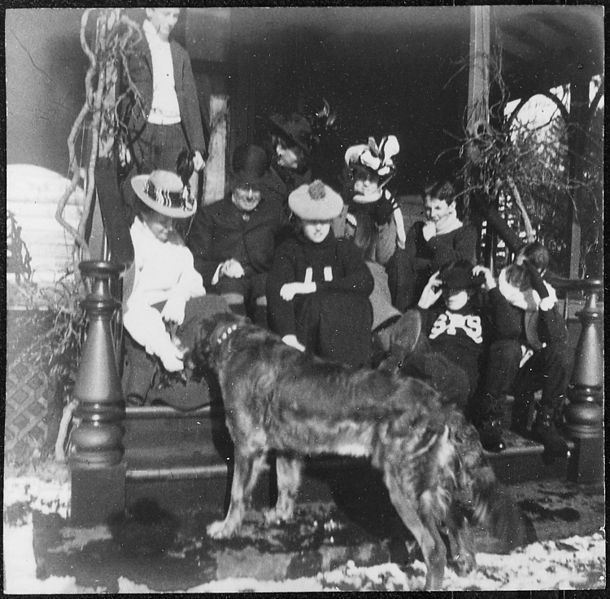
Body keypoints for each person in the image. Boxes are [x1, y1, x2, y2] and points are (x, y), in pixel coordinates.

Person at [122, 169, 229, 409]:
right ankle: (170, 387)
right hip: (149, 324)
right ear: (145, 212)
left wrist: (180, 296)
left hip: (177, 315)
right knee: (216, 307)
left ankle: (206, 381)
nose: (170, 226)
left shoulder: (175, 241)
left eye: (173, 220)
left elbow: (193, 280)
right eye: (163, 220)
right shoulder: (134, 245)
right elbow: (130, 306)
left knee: (218, 307)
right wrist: (161, 344)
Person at [472, 242, 570, 457]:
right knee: (509, 347)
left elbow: (557, 338)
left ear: (540, 272)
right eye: (518, 268)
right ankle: (491, 420)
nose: (520, 276)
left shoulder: (544, 296)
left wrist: (542, 293)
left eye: (529, 272)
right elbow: (507, 329)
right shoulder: (500, 288)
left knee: (558, 353)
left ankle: (545, 421)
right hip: (499, 369)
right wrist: (495, 291)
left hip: (526, 374)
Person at [266, 180, 373, 368]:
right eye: (312, 221)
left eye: (323, 221)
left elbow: (365, 281)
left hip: (344, 337)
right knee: (314, 304)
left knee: (360, 303)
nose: (318, 228)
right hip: (307, 338)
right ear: (300, 221)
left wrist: (312, 287)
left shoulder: (343, 248)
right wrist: (288, 336)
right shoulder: (290, 250)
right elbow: (277, 291)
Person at [118, 8, 208, 220]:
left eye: (175, 16)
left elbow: (191, 101)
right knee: (135, 194)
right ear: (149, 11)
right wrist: (122, 139)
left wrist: (197, 148)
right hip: (141, 131)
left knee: (169, 197)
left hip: (174, 135)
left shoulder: (179, 53)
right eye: (166, 14)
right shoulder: (132, 46)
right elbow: (122, 94)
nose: (171, 21)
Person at [186, 145, 286, 325]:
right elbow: (193, 261)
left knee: (268, 292)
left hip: (260, 281)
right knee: (231, 291)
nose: (250, 195)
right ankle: (237, 347)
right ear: (232, 184)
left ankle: (265, 347)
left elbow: (286, 252)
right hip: (225, 285)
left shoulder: (273, 215)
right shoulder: (210, 214)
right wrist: (221, 268)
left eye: (255, 189)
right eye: (244, 187)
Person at [403, 181, 477, 309]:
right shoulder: (417, 230)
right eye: (427, 208)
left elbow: (461, 263)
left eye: (437, 208)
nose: (431, 214)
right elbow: (406, 263)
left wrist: (432, 240)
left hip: (444, 297)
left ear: (451, 206)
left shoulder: (465, 232)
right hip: (414, 295)